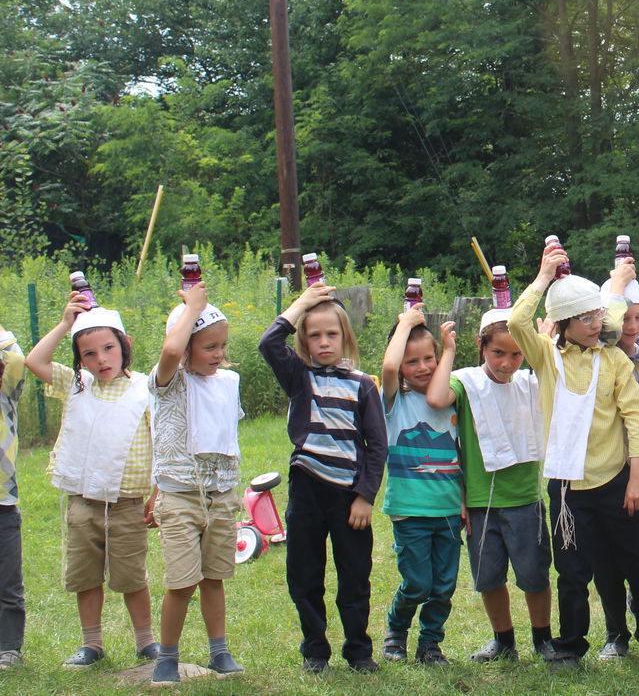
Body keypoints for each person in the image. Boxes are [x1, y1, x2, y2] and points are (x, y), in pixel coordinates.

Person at [506, 245, 639, 671]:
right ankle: (569, 646)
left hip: (619, 482)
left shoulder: (615, 359)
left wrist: (638, 477)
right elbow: (515, 321)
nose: (595, 324)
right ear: (563, 323)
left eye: (597, 315)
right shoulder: (546, 356)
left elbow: (637, 416)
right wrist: (545, 277)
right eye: (584, 318)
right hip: (567, 490)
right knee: (573, 573)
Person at [258, 282, 387, 673]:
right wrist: (302, 304)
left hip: (349, 497)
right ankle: (315, 649)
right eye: (314, 336)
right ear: (304, 342)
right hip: (307, 491)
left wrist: (365, 496)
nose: (324, 342)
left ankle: (359, 651)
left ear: (345, 337)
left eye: (332, 334)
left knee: (354, 578)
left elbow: (377, 446)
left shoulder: (363, 384)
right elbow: (268, 343)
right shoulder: (299, 377)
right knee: (304, 576)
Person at [26, 292, 157, 668]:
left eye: (108, 348)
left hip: (128, 503)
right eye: (89, 354)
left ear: (125, 346)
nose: (101, 360)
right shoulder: (77, 385)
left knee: (132, 576)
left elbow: (162, 444)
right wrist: (66, 323)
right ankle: (92, 643)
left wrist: (156, 493)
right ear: (79, 359)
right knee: (86, 575)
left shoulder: (145, 389)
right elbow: (36, 361)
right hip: (83, 502)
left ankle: (146, 641)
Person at [438, 309, 553, 663]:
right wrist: (447, 352)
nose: (507, 363)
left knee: (534, 575)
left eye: (517, 354)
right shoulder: (466, 383)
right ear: (481, 347)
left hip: (524, 499)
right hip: (480, 502)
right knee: (489, 577)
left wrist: (544, 342)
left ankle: (542, 639)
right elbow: (437, 398)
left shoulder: (531, 383)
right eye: (498, 353)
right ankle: (503, 640)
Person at [149, 283, 245, 684]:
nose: (219, 354)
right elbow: (170, 352)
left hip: (220, 497)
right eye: (209, 346)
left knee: (214, 578)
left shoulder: (228, 382)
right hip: (181, 498)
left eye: (222, 345)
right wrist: (194, 307)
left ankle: (218, 651)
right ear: (186, 346)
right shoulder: (169, 382)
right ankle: (167, 656)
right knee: (181, 582)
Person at [379, 311, 461, 665]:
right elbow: (387, 368)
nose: (423, 367)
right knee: (417, 583)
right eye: (412, 361)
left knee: (443, 586)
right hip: (410, 510)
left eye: (430, 358)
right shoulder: (394, 400)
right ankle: (396, 631)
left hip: (448, 510)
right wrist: (404, 325)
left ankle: (430, 642)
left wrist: (449, 351)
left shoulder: (454, 396)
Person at [594, 265, 639, 660]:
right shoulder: (599, 353)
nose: (631, 326)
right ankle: (616, 632)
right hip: (604, 467)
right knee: (605, 559)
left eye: (638, 317)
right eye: (624, 317)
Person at [0, 324, 27, 670]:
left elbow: (18, 356)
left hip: (3, 504)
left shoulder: (6, 392)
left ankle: (9, 648)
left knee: (8, 583)